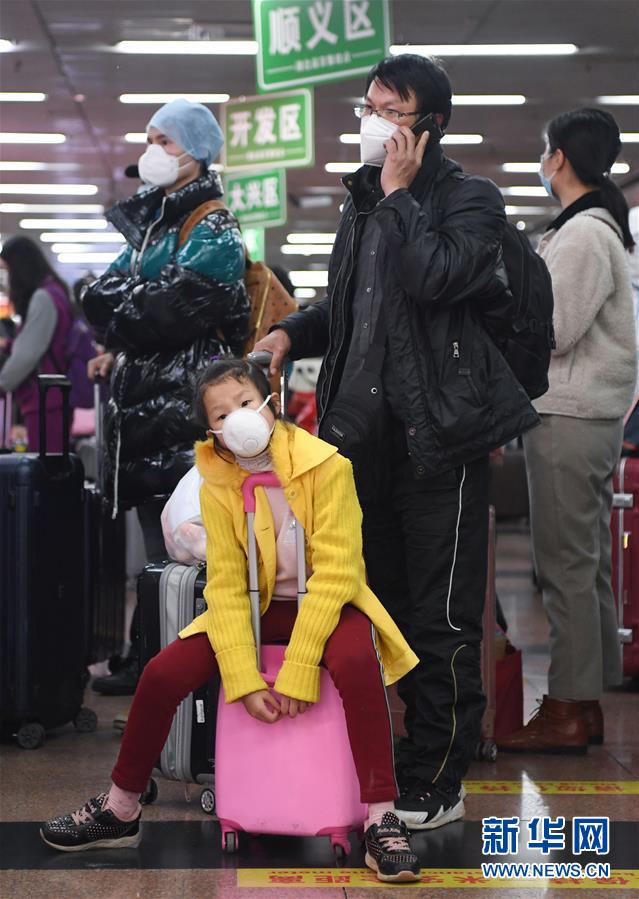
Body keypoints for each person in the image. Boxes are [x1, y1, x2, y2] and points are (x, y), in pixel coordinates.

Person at [254, 53, 538, 830]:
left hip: (437, 440)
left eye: (391, 111)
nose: (372, 122)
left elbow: (433, 276)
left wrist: (399, 195)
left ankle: (437, 777)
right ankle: (395, 755)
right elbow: (351, 305)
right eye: (368, 106)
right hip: (360, 445)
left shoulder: (468, 199)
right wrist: (288, 331)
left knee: (439, 616)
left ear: (430, 125)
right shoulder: (362, 202)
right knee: (376, 610)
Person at [41, 357, 422, 884]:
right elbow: (223, 584)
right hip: (253, 605)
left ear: (271, 403)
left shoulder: (328, 466)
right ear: (211, 431)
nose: (236, 418)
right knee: (162, 673)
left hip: (328, 602)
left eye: (245, 403)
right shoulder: (217, 482)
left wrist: (298, 669)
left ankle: (382, 818)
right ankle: (120, 807)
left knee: (358, 662)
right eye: (220, 415)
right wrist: (243, 680)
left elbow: (339, 573)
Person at [83, 99, 250, 695]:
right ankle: (150, 656)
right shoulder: (151, 224)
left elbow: (170, 310)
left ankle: (183, 668)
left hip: (182, 415)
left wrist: (131, 306)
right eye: (150, 138)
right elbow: (95, 295)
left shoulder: (213, 226)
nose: (153, 150)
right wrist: (136, 303)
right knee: (156, 552)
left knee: (186, 545)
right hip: (144, 418)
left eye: (166, 140)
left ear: (198, 150)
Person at [497, 108, 636, 755]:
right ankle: (587, 699)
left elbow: (554, 331)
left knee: (564, 566)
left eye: (544, 151)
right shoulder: (592, 228)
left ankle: (567, 708)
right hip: (588, 415)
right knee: (585, 564)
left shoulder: (582, 235)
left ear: (558, 158)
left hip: (570, 415)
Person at [0, 236, 77, 452]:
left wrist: (2, 383)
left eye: (8, 270)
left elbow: (28, 353)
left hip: (46, 399)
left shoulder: (44, 297)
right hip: (51, 397)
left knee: (45, 464)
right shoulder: (55, 291)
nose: (8, 279)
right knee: (51, 460)